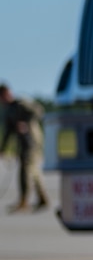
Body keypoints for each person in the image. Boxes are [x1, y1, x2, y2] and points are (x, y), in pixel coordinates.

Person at [2, 84, 51, 213]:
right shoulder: (9, 110)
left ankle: (24, 201)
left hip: (32, 141)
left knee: (25, 169)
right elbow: (9, 131)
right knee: (33, 170)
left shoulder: (21, 103)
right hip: (23, 143)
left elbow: (39, 111)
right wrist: (3, 148)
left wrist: (26, 123)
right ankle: (43, 198)